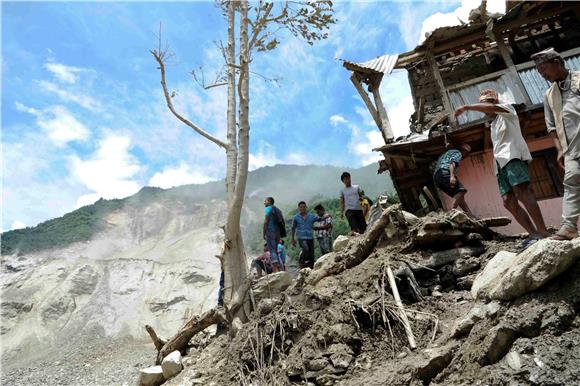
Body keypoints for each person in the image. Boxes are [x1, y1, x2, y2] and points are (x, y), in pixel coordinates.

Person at [454, 89, 551, 240]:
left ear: (495, 102)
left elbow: (492, 109)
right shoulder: (493, 124)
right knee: (508, 201)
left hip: (512, 157)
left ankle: (543, 231)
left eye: (485, 106)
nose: (484, 112)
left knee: (522, 193)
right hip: (500, 163)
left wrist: (467, 107)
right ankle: (534, 234)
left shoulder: (507, 110)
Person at [531, 48, 580, 240]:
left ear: (557, 63)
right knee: (571, 183)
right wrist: (559, 149)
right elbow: (551, 126)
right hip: (572, 150)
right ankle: (569, 227)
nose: (543, 76)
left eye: (544, 70)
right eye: (540, 73)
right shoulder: (549, 95)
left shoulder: (578, 79)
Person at [433, 143, 474, 216]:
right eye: (466, 154)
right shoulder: (458, 153)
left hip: (437, 176)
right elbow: (452, 163)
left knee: (460, 198)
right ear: (464, 151)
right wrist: (452, 176)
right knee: (461, 191)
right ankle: (451, 214)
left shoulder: (447, 154)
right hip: (444, 172)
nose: (464, 156)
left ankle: (471, 215)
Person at [291, 201, 321, 269]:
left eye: (304, 207)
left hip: (310, 237)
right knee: (305, 249)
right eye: (301, 207)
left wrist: (326, 215)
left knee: (311, 255)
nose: (302, 208)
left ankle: (311, 268)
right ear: (298, 208)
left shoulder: (311, 216)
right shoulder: (296, 217)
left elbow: (319, 218)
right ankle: (301, 260)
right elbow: (293, 228)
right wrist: (293, 239)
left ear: (306, 207)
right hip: (301, 237)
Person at [263, 197, 281, 273]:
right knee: (275, 250)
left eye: (265, 201)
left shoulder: (268, 208)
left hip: (270, 231)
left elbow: (266, 221)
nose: (264, 202)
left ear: (269, 202)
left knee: (272, 250)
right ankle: (279, 267)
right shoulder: (277, 210)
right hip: (277, 231)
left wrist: (264, 232)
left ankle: (275, 269)